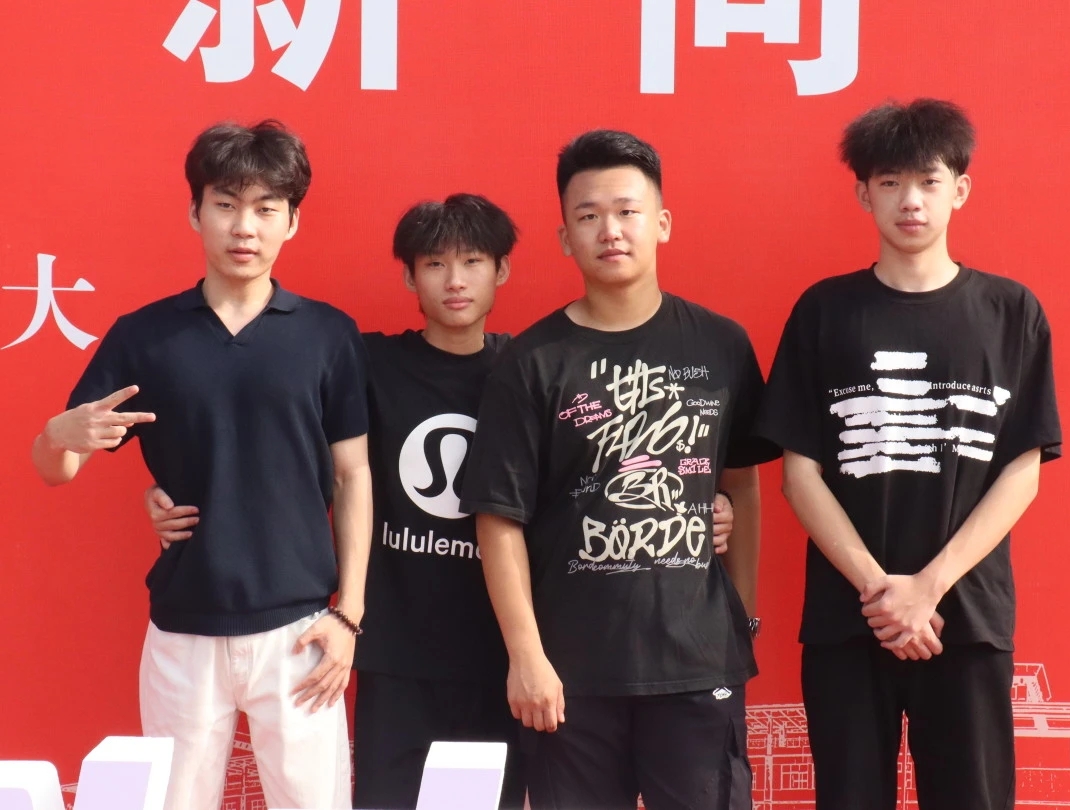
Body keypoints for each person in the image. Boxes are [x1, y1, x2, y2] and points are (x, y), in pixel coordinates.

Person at [147, 191, 738, 808]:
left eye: (473, 262)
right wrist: (174, 487)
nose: (455, 282)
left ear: (502, 270)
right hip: (395, 653)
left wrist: (708, 507)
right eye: (434, 265)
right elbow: (275, 429)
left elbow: (605, 470)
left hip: (505, 653)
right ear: (410, 277)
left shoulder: (536, 366)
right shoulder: (368, 362)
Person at [31, 120, 370, 810]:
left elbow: (353, 476)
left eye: (266, 208)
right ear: (195, 212)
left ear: (291, 222)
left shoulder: (327, 334)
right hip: (183, 628)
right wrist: (57, 433)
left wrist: (350, 616)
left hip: (300, 630)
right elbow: (56, 467)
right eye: (226, 205)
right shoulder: (145, 336)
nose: (244, 227)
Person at [754, 98, 1062, 810]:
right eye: (890, 183)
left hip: (968, 618)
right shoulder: (824, 311)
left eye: (928, 180)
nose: (911, 201)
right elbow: (799, 475)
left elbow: (1022, 470)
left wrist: (928, 588)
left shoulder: (1011, 312)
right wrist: (880, 592)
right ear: (864, 194)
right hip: (849, 620)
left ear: (961, 189)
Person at [458, 129, 777, 810]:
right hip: (571, 676)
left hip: (697, 666)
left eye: (628, 211)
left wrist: (742, 615)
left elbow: (742, 485)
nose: (610, 230)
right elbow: (497, 518)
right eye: (589, 215)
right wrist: (526, 656)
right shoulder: (532, 362)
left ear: (662, 223)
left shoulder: (720, 345)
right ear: (564, 237)